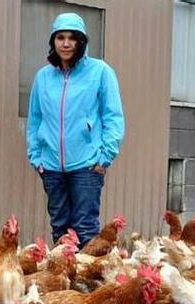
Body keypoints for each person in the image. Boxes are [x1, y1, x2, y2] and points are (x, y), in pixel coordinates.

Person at [26, 12, 125, 248]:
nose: (66, 43)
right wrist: (36, 157)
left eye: (72, 37)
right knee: (60, 228)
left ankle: (85, 283)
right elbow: (35, 119)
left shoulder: (100, 72)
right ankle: (64, 282)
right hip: (50, 165)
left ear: (82, 41)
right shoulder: (43, 77)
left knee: (85, 228)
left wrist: (105, 156)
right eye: (60, 37)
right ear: (53, 42)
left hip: (87, 165)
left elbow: (113, 115)